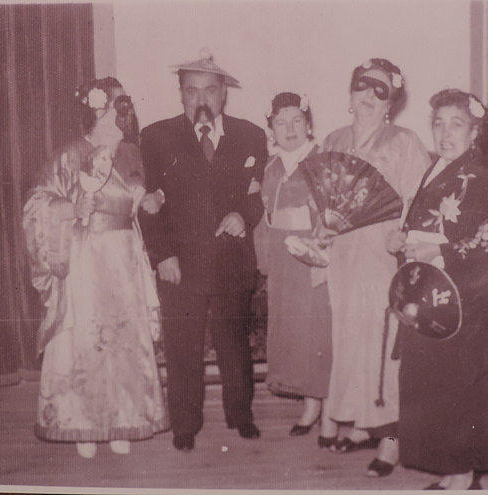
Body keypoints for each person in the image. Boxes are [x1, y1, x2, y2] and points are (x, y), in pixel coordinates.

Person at [22, 77, 168, 459]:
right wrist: (72, 209)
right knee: (85, 337)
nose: (126, 113)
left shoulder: (131, 154)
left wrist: (152, 197)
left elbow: (140, 197)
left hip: (124, 256)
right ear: (97, 110)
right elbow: (37, 206)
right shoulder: (69, 156)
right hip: (87, 257)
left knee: (122, 340)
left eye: (127, 106)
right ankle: (82, 424)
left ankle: (121, 417)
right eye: (118, 106)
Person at [140, 50, 268, 452]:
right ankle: (185, 424)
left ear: (223, 94)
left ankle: (240, 415)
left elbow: (258, 194)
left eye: (210, 91)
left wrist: (243, 216)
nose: (201, 101)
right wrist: (162, 255)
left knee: (234, 345)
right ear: (180, 94)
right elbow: (148, 203)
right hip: (180, 264)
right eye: (192, 91)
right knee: (182, 348)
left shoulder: (251, 135)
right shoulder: (156, 136)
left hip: (231, 262)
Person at [388, 89, 488, 490]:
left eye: (456, 124)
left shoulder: (486, 179)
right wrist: (402, 239)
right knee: (434, 387)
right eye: (438, 123)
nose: (445, 132)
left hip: (469, 302)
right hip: (435, 298)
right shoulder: (436, 169)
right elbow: (420, 224)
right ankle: (450, 471)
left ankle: (464, 476)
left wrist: (437, 247)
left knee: (463, 388)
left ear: (475, 131)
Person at [319, 59, 430, 477]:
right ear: (350, 93)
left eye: (380, 90)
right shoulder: (333, 139)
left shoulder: (405, 142)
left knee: (382, 345)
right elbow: (324, 200)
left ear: (391, 103)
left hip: (382, 257)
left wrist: (401, 236)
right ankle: (364, 424)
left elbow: (418, 204)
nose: (368, 96)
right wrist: (322, 230)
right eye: (363, 87)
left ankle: (391, 438)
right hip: (343, 257)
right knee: (349, 342)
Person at [253, 92, 332, 437]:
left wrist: (319, 245)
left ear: (309, 124)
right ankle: (308, 404)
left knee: (317, 329)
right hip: (283, 257)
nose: (290, 129)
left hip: (313, 254)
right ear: (271, 128)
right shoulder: (270, 167)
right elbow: (264, 216)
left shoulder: (323, 160)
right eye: (280, 123)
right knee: (294, 330)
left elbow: (332, 213)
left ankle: (327, 408)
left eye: (297, 121)